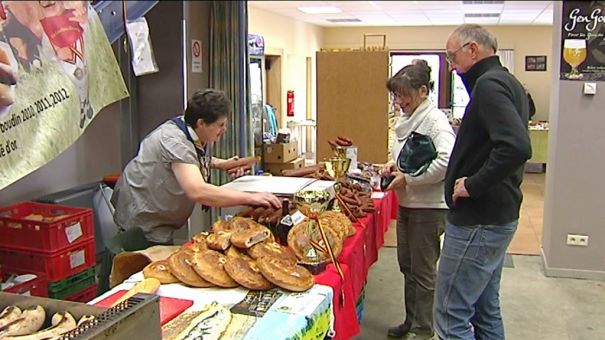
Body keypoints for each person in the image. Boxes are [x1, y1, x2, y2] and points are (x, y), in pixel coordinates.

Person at [436, 24, 532, 339]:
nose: (451, 66)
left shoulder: (489, 85)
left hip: (479, 220)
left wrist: (472, 184)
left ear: (473, 49)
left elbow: (516, 146)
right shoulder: (507, 81)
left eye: (452, 57)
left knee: (451, 315)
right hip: (497, 216)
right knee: (485, 310)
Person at [111, 88, 281, 246]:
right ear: (201, 123)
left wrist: (221, 164)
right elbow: (197, 190)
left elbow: (189, 158)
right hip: (142, 216)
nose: (224, 130)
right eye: (220, 125)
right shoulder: (174, 140)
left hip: (162, 220)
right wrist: (251, 198)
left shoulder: (194, 131)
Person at [381, 62, 455, 340]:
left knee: (423, 273)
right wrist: (393, 166)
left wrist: (409, 180)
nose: (399, 101)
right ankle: (411, 321)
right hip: (409, 206)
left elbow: (446, 161)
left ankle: (423, 330)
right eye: (396, 95)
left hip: (428, 208)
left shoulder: (435, 121)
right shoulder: (409, 119)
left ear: (423, 91)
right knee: (408, 267)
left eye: (403, 95)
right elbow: (413, 156)